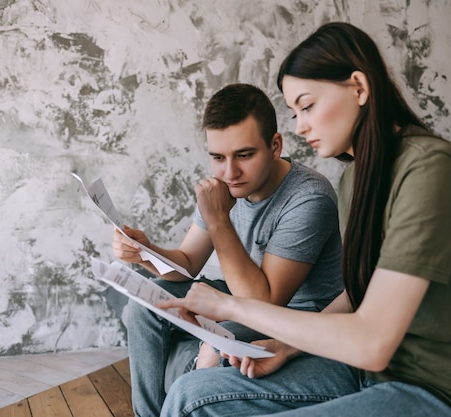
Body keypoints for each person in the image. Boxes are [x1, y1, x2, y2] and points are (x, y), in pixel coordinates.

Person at [158, 22, 451, 417]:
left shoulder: (431, 170)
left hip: (438, 391)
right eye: (294, 112)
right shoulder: (357, 176)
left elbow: (373, 341)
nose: (298, 126)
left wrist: (231, 307)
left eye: (307, 106)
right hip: (368, 372)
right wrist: (287, 346)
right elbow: (362, 291)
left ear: (359, 88)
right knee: (192, 395)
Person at [112, 83, 343, 416]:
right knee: (143, 308)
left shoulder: (309, 199)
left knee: (213, 347)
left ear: (275, 146)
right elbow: (188, 262)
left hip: (292, 312)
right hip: (238, 295)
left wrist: (219, 219)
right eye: (218, 158)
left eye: (244, 155)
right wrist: (144, 251)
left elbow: (264, 304)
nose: (230, 172)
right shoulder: (224, 185)